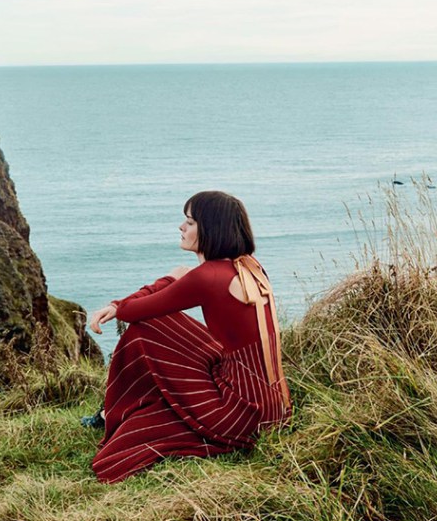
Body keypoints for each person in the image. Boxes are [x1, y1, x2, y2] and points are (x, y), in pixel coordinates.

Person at [85, 190, 291, 483]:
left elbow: (137, 312)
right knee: (161, 321)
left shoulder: (206, 278)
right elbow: (177, 286)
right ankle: (114, 411)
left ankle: (113, 414)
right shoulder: (248, 267)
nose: (182, 227)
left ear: (210, 228)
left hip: (240, 411)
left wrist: (120, 304)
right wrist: (167, 281)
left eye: (190, 222)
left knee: (145, 329)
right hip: (274, 404)